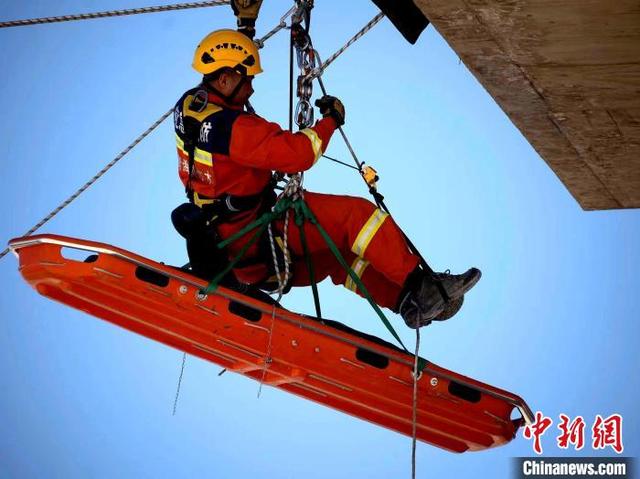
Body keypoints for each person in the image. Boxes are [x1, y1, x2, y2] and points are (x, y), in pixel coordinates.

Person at [171, 2, 481, 329]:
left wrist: (245, 32)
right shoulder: (233, 128)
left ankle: (407, 302)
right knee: (357, 218)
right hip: (261, 234)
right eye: (245, 79)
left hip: (245, 255)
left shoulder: (192, 107)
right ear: (224, 79)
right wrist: (330, 121)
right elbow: (298, 154)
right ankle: (423, 287)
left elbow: (232, 147)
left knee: (340, 258)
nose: (251, 87)